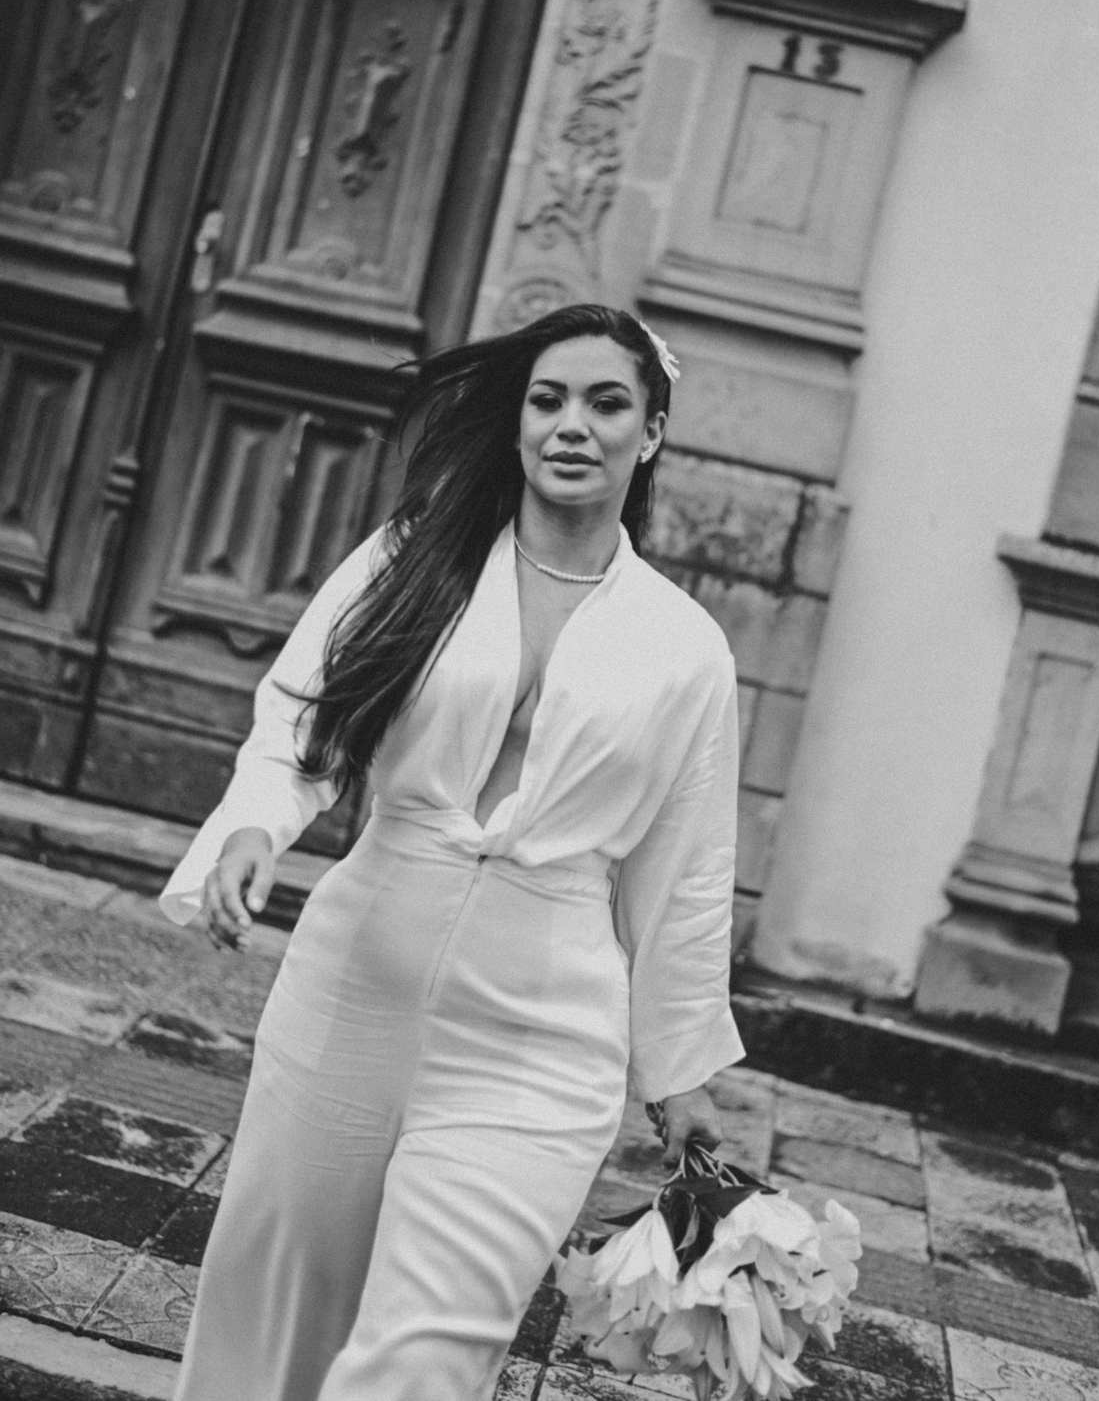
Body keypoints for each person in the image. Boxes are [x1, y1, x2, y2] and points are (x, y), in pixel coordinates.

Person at [159, 304, 745, 1401]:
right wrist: (252, 827)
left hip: (541, 1036)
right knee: (274, 1306)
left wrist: (679, 1077)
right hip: (354, 986)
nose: (572, 425)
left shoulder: (686, 649)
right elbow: (304, 715)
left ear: (652, 432)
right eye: (547, 399)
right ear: (519, 422)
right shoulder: (415, 557)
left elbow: (687, 871)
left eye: (606, 403)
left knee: (429, 1355)